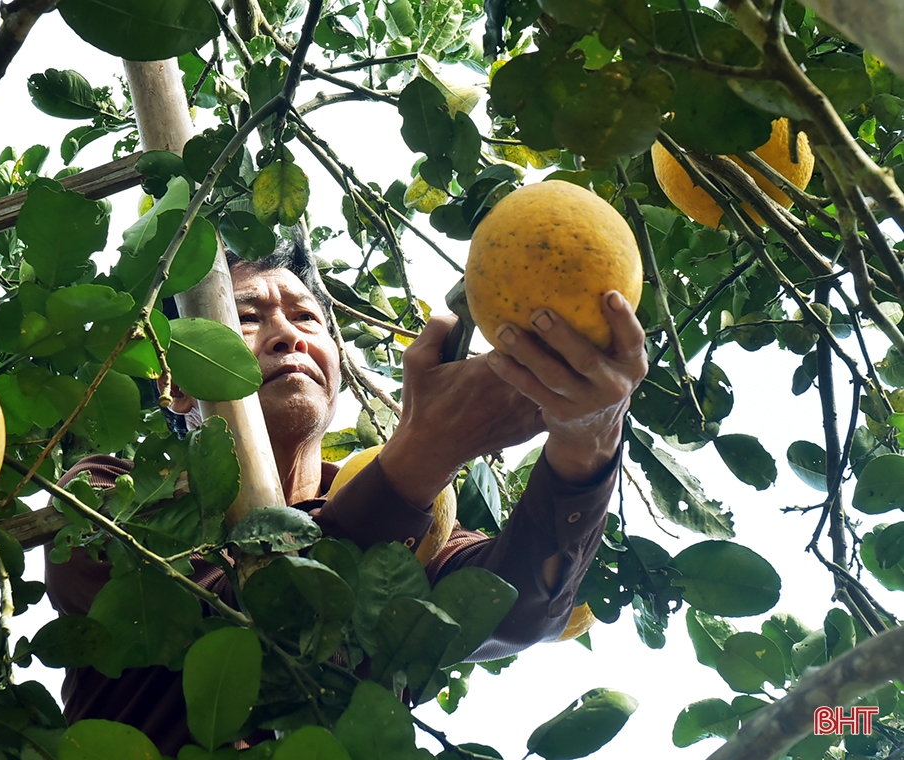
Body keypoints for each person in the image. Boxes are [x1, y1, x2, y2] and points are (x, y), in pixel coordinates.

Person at [44, 239, 648, 753]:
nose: (288, 336)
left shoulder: (418, 523)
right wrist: (421, 456)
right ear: (176, 386)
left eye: (307, 319)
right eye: (248, 318)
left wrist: (586, 440)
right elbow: (244, 618)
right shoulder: (113, 497)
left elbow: (517, 608)